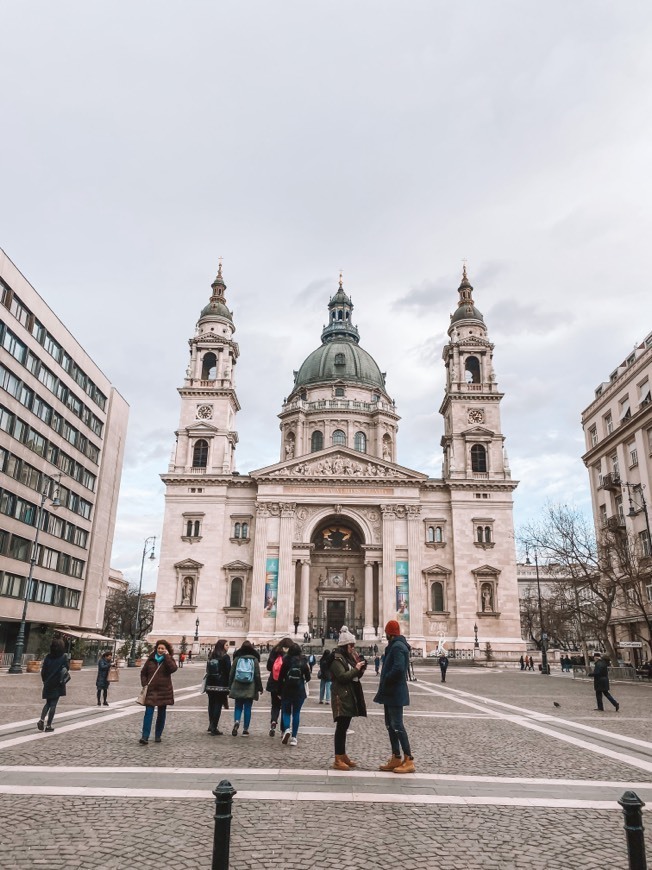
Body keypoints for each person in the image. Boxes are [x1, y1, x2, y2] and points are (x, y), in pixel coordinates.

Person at [374, 619, 414, 774]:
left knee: (397, 725)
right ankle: (396, 757)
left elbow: (398, 668)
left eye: (386, 632)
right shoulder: (395, 646)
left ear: (390, 633)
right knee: (390, 725)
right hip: (390, 692)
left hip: (395, 691)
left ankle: (409, 759)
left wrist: (387, 678)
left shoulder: (398, 647)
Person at [330, 626, 367, 770]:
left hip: (348, 695)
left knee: (344, 727)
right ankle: (338, 758)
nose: (353, 648)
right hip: (341, 697)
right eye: (352, 645)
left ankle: (342, 755)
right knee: (341, 728)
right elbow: (342, 677)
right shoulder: (336, 659)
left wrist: (360, 669)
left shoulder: (347, 658)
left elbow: (353, 675)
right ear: (346, 646)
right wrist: (356, 669)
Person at [139, 639, 178, 745]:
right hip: (151, 691)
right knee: (148, 713)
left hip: (164, 691)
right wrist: (145, 683)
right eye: (159, 648)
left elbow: (173, 669)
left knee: (161, 714)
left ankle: (158, 735)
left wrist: (167, 657)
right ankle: (145, 736)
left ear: (166, 650)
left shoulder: (168, 659)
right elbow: (143, 672)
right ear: (156, 648)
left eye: (162, 648)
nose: (160, 650)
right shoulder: (151, 659)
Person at [278, 642, 311, 745]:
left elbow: (280, 677)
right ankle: (294, 738)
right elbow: (308, 677)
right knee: (296, 713)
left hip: (287, 689)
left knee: (286, 712)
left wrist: (279, 691)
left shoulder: (286, 661)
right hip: (299, 690)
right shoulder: (303, 661)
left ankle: (287, 729)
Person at [229, 640, 263, 736]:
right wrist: (260, 688)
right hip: (250, 687)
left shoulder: (237, 658)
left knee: (238, 706)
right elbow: (257, 675)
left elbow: (231, 673)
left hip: (237, 685)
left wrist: (229, 685)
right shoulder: (254, 660)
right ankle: (245, 729)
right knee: (248, 708)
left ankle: (236, 721)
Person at [37, 637, 69, 732]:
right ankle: (48, 725)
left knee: (48, 703)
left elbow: (43, 671)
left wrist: (44, 680)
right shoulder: (63, 657)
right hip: (58, 683)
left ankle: (41, 719)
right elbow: (67, 668)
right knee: (53, 704)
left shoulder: (48, 657)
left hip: (48, 682)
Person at [266, 637, 292, 736]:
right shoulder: (291, 653)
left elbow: (269, 667)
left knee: (275, 705)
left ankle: (273, 722)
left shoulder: (275, 651)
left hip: (274, 683)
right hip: (286, 684)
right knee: (285, 707)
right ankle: (283, 730)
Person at [205, 639, 231, 735]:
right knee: (218, 705)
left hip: (210, 683)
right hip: (221, 684)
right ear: (222, 646)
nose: (228, 647)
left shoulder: (211, 655)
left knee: (211, 704)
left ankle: (210, 724)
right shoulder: (225, 657)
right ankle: (214, 727)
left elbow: (207, 669)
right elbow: (229, 670)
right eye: (226, 645)